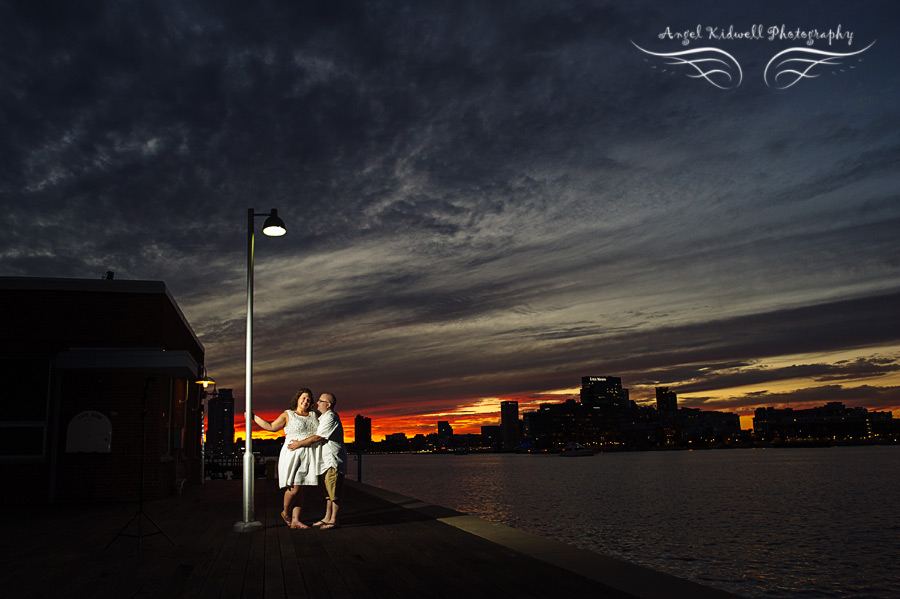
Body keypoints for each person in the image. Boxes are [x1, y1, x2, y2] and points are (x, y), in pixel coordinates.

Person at [251, 388, 320, 529]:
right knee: (294, 488)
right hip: (293, 453)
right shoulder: (288, 414)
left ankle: (296, 520)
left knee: (302, 489)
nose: (305, 401)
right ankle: (286, 513)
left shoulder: (314, 415)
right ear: (297, 399)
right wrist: (254, 417)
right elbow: (271, 427)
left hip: (309, 453)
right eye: (303, 398)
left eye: (308, 399)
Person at [288, 392, 346, 529]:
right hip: (324, 461)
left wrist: (299, 444)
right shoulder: (324, 417)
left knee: (334, 492)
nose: (317, 403)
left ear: (328, 405)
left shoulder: (330, 417)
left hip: (332, 460)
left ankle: (333, 520)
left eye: (320, 401)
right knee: (327, 492)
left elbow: (318, 437)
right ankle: (327, 517)